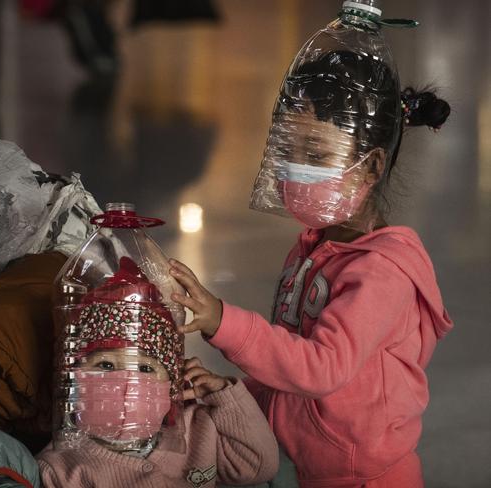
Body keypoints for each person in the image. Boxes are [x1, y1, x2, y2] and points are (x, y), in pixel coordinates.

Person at [167, 39, 454, 488]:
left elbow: (321, 367)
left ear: (371, 166)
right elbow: (289, 357)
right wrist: (236, 394)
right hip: (301, 469)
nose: (295, 169)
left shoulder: (381, 272)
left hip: (363, 478)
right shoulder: (313, 247)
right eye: (289, 151)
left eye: (317, 155)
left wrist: (222, 321)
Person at [37, 259, 279, 487]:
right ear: (75, 376)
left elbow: (258, 465)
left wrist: (225, 396)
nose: (128, 384)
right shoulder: (60, 466)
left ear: (172, 383)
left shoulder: (199, 430)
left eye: (145, 368)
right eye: (106, 365)